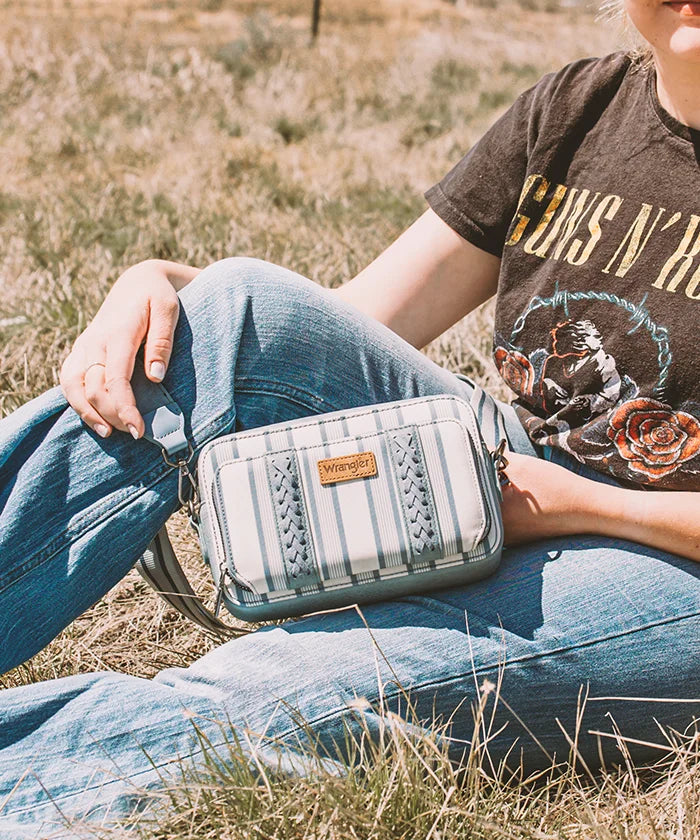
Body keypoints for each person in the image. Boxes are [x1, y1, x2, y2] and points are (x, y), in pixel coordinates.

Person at [1, 0, 699, 834]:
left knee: (296, 686)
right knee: (237, 309)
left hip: (669, 561)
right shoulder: (577, 109)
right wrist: (170, 291)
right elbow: (346, 320)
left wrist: (575, 505)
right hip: (513, 474)